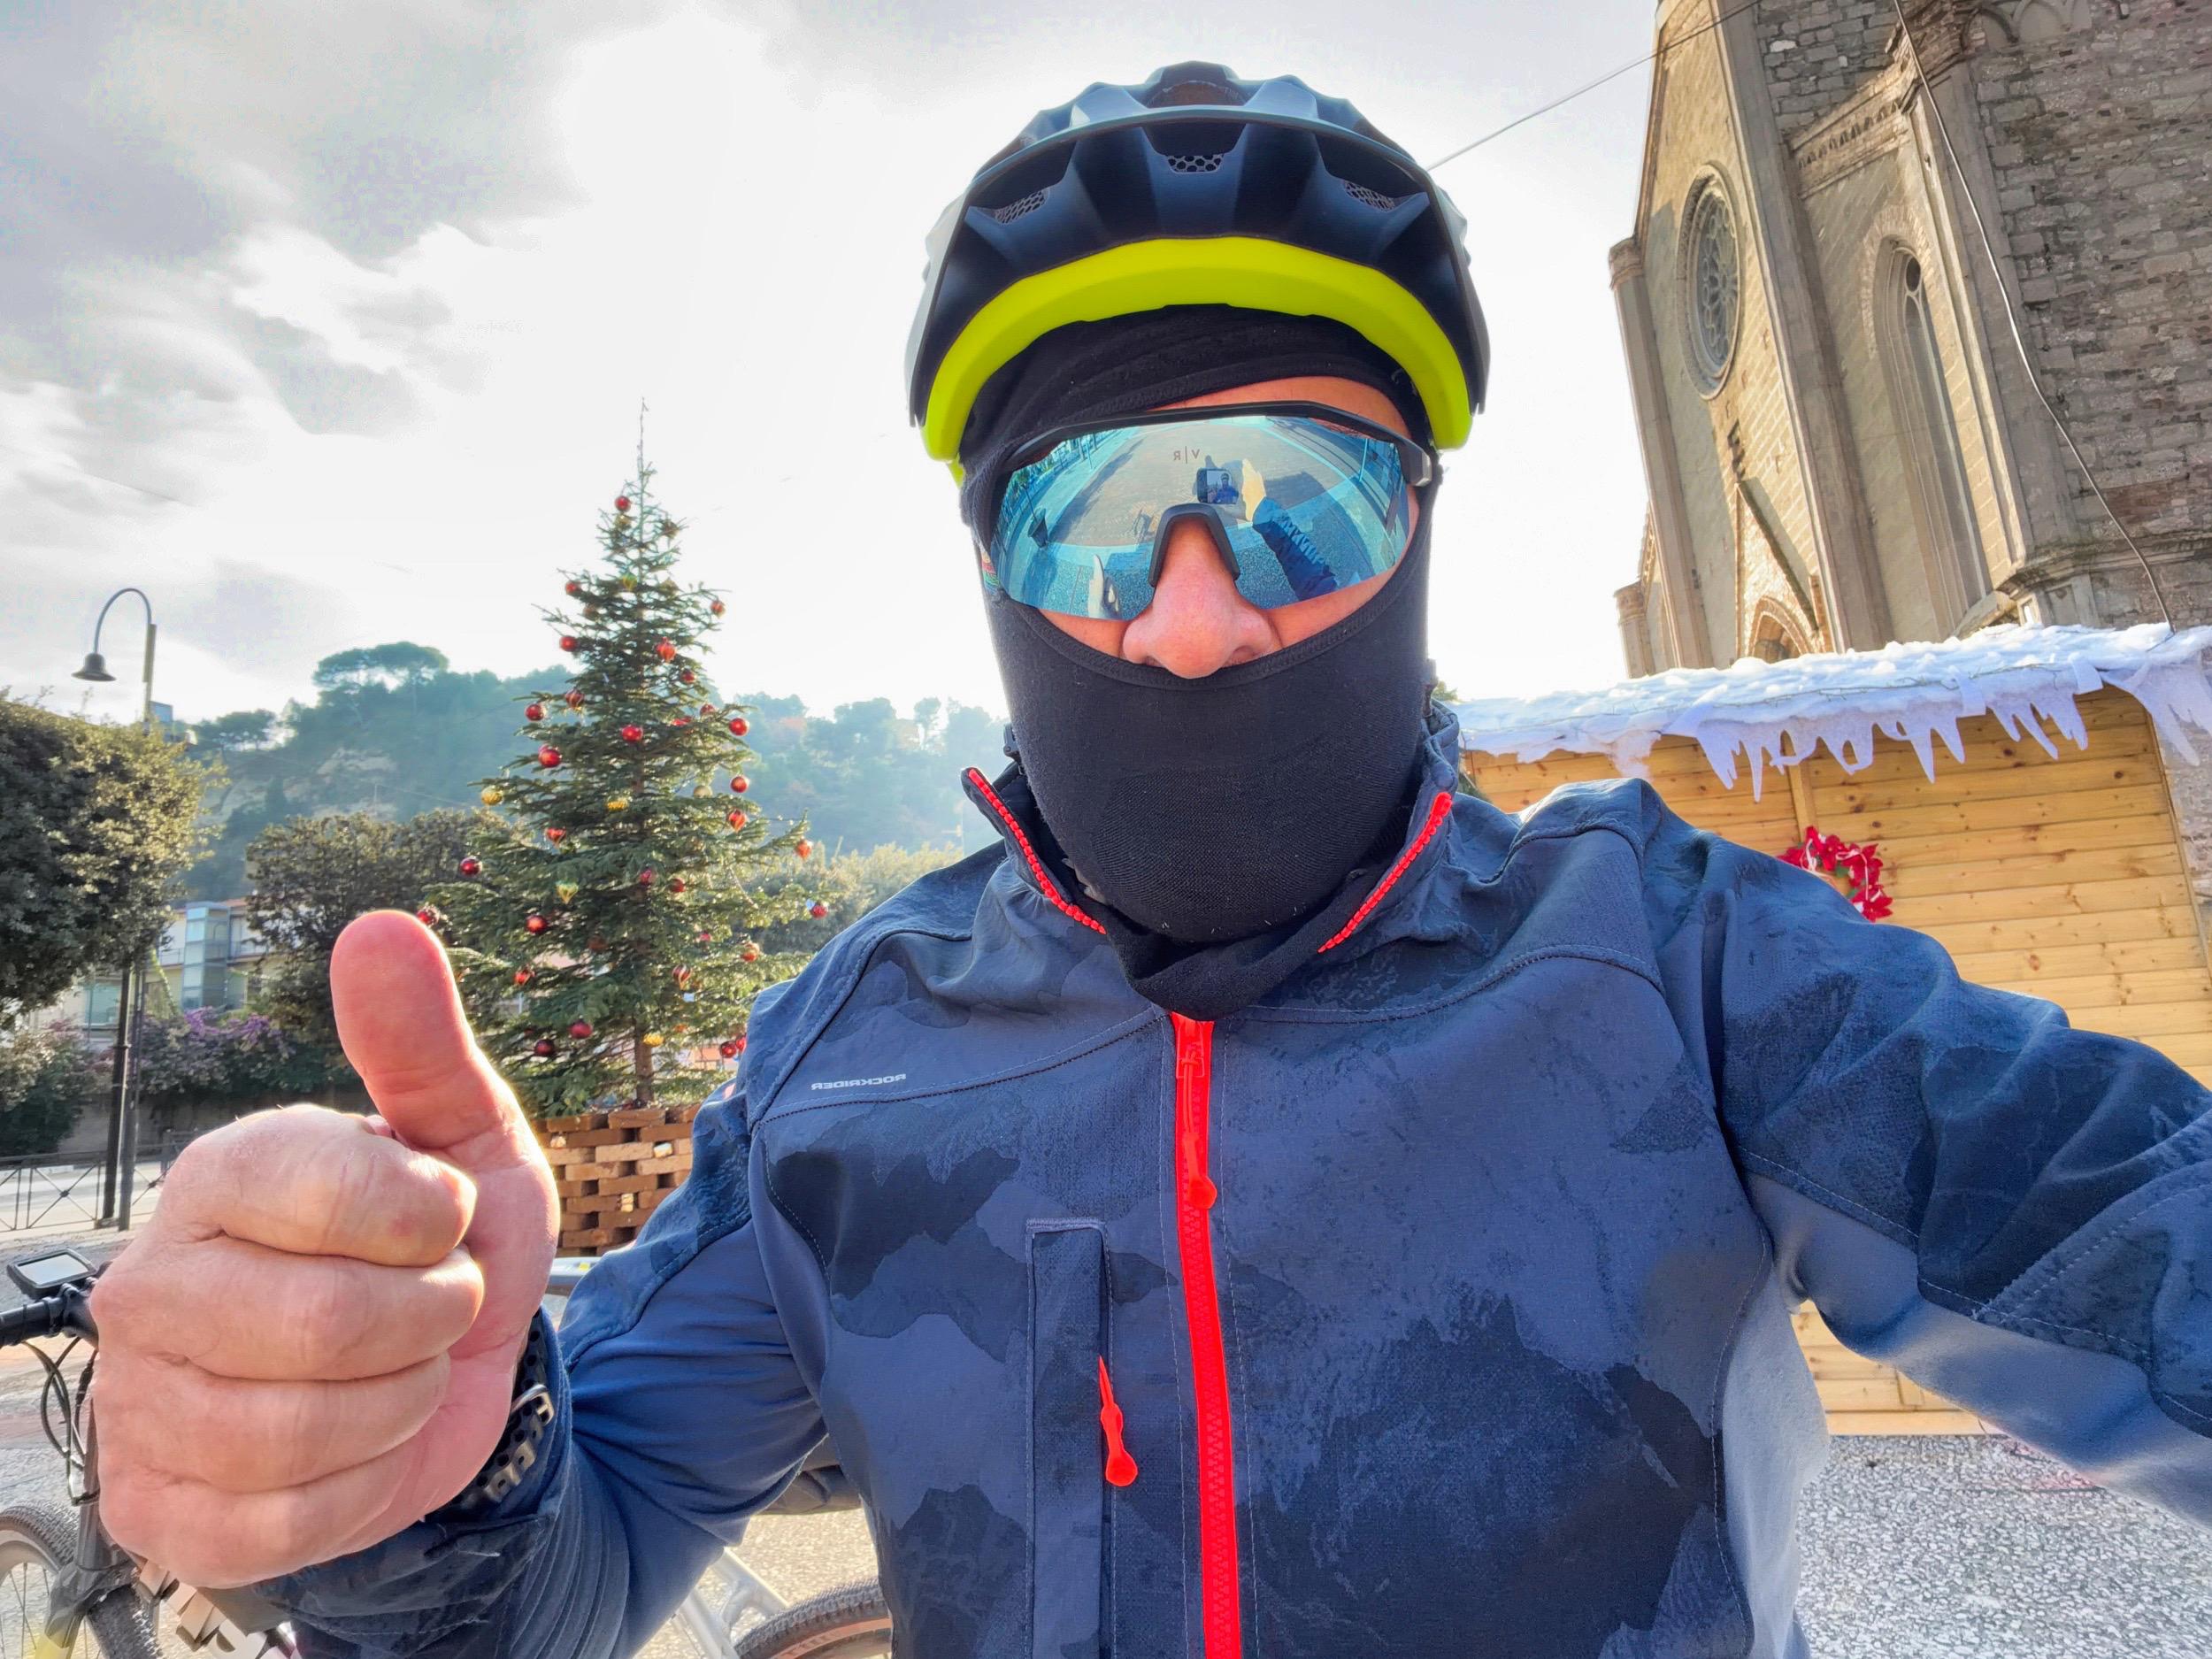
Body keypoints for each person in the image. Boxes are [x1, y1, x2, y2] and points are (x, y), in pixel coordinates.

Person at [88, 62, 2211, 1659]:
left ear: (1417, 530)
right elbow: (557, 1581)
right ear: (995, 572)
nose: (1192, 618)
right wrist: (410, 1491)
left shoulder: (1679, 967)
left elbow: (2137, 1233)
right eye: (1093, 519)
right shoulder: (851, 1059)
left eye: (1295, 500)